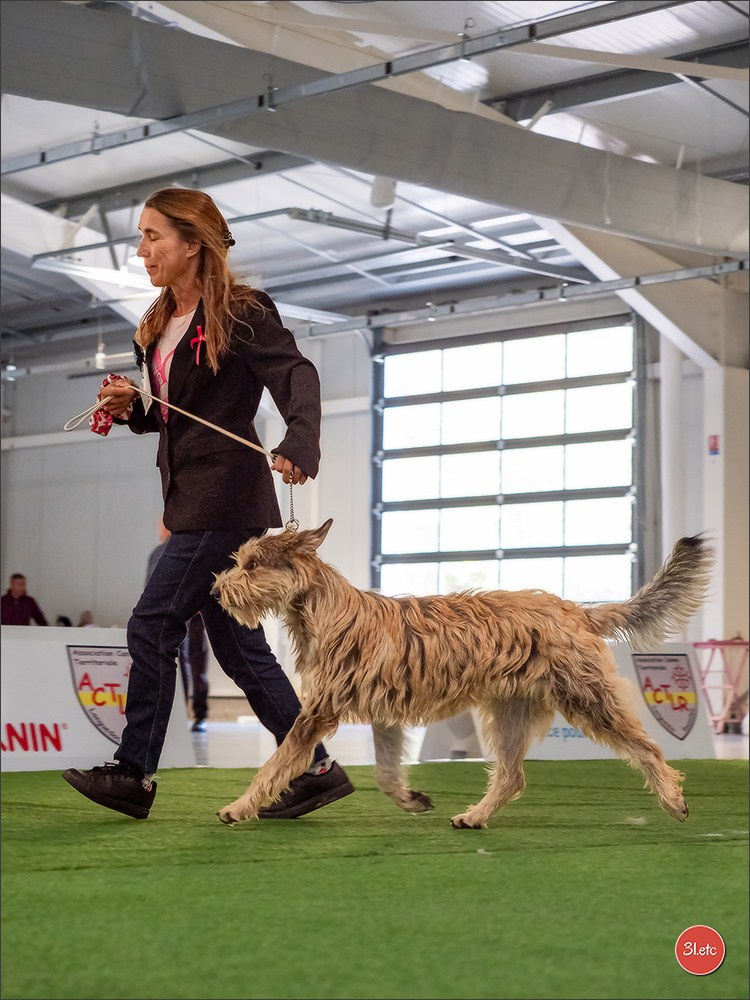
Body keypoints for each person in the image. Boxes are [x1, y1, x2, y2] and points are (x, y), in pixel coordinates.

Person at [62, 187, 353, 821]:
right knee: (238, 645)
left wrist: (300, 437)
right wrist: (133, 407)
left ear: (193, 242)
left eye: (153, 237)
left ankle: (134, 773)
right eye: (140, 238)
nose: (142, 251)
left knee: (151, 624)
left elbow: (296, 374)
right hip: (194, 497)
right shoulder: (156, 322)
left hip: (224, 498)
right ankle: (316, 767)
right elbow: (174, 418)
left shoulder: (242, 312)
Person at [147, 519, 210, 732]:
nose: (158, 529)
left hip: (189, 613)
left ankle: (190, 713)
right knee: (189, 661)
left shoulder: (175, 549)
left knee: (189, 661)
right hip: (182, 613)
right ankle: (189, 713)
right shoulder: (159, 552)